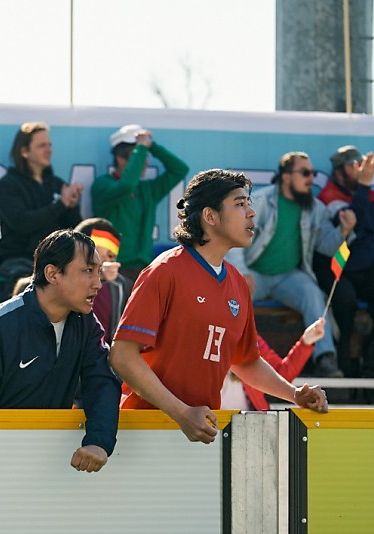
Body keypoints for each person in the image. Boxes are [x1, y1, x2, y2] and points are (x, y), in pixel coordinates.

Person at [109, 169, 328, 444]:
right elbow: (122, 356)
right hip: (144, 434)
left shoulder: (237, 282)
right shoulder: (165, 271)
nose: (251, 213)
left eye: (248, 204)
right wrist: (181, 412)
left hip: (202, 432)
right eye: (239, 204)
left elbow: (245, 361)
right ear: (210, 217)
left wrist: (294, 395)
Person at [0, 228, 120, 472]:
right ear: (53, 274)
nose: (98, 283)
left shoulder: (86, 324)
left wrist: (99, 441)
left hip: (51, 468)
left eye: (99, 272)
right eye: (88, 271)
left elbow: (102, 383)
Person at [242, 151, 355, 378]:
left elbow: (327, 246)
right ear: (285, 176)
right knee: (231, 300)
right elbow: (234, 238)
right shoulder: (261, 201)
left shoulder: (316, 208)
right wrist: (242, 273)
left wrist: (344, 231)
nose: (310, 178)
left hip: (289, 276)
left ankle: (325, 358)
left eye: (312, 173)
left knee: (313, 295)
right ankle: (233, 356)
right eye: (304, 173)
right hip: (254, 274)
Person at [313, 146, 374, 378]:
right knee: (345, 306)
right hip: (338, 269)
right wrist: (364, 184)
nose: (359, 170)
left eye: (360, 165)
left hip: (366, 269)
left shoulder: (368, 193)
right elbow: (356, 223)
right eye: (353, 165)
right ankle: (345, 376)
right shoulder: (329, 198)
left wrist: (364, 186)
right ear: (339, 172)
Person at [0, 122, 82, 301]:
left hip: (55, 262)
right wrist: (61, 205)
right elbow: (22, 223)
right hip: (18, 261)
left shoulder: (57, 184)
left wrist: (71, 205)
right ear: (24, 151)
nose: (49, 150)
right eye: (42, 145)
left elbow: (73, 229)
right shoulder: (8, 185)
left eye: (50, 145)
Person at [90, 125, 189, 281]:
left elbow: (180, 170)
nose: (144, 161)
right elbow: (126, 185)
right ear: (120, 158)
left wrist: (152, 147)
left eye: (145, 156)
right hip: (111, 271)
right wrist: (141, 148)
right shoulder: (102, 185)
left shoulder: (147, 189)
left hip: (143, 272)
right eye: (137, 155)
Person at [220, 318, 326, 411]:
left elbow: (280, 374)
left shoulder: (248, 335)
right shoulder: (204, 333)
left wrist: (306, 342)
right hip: (209, 422)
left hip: (251, 420)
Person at [75, 217, 129, 343]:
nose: (105, 262)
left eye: (110, 256)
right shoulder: (57, 280)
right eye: (96, 255)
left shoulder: (121, 286)